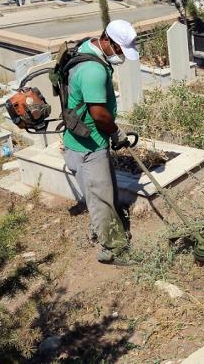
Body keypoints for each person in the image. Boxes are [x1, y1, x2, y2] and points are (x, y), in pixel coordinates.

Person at [62, 20, 139, 266]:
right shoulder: (93, 70)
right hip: (89, 147)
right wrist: (116, 133)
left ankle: (99, 229)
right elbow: (98, 114)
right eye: (118, 50)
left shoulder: (87, 48)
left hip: (80, 142)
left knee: (97, 196)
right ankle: (112, 251)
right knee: (102, 200)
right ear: (106, 40)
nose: (120, 56)